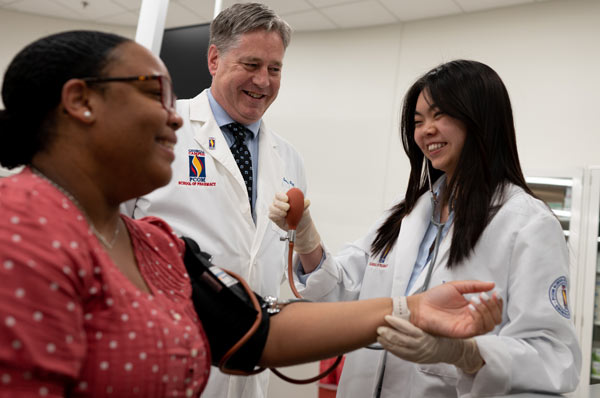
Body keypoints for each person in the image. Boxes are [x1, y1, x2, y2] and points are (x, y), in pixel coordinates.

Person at [0, 31, 503, 397]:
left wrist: (410, 310)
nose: (176, 115)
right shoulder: (19, 226)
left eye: (276, 68)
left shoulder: (156, 243)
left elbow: (256, 330)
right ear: (80, 100)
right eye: (155, 94)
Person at [270, 60, 582, 397]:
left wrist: (467, 354)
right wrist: (305, 236)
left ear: (480, 119)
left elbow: (554, 358)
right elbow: (343, 293)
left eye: (439, 115)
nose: (425, 131)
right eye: (418, 122)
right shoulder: (406, 216)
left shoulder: (527, 224)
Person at [121, 5, 305, 395]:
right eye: (251, 64)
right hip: (165, 350)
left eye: (274, 69)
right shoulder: (161, 129)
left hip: (251, 358)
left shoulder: (289, 158)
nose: (263, 81)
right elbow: (107, 237)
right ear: (214, 59)